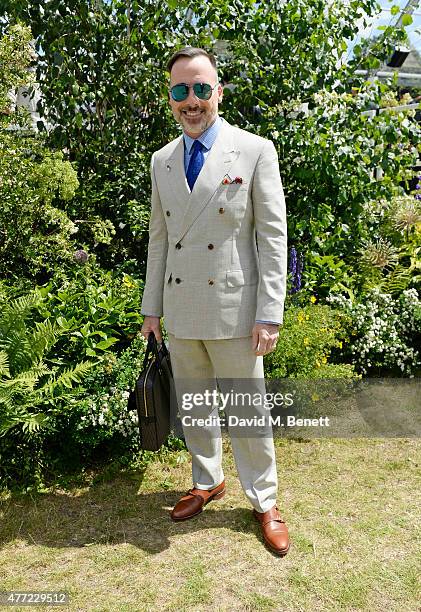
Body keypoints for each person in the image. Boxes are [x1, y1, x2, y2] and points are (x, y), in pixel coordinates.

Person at [140, 47, 289, 556]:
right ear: (170, 98)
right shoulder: (161, 160)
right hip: (181, 310)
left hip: (236, 309)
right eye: (181, 90)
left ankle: (264, 499)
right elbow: (159, 239)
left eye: (201, 89)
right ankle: (207, 481)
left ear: (218, 92)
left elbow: (272, 239)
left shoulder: (253, 150)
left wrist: (270, 312)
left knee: (247, 412)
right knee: (196, 406)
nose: (192, 100)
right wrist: (151, 308)